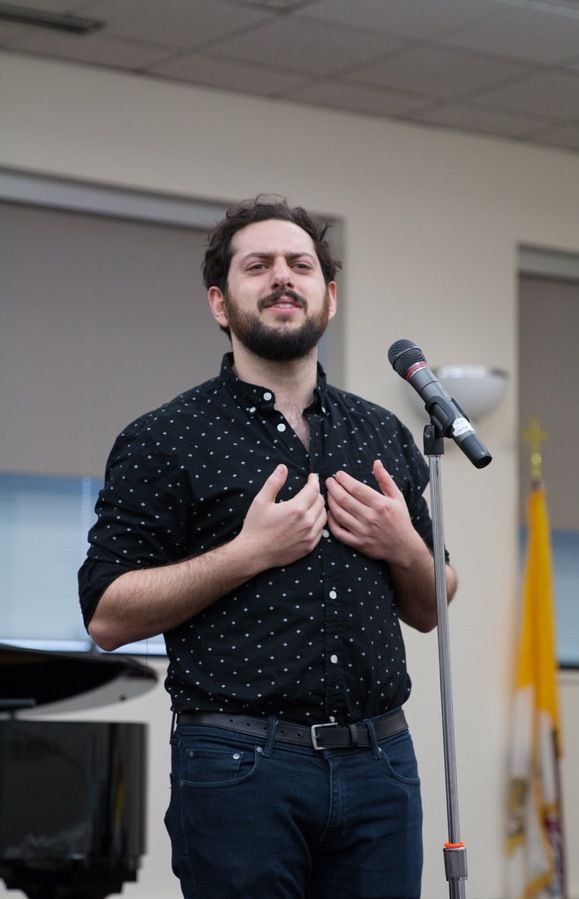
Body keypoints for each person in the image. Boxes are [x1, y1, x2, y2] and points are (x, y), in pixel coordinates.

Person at [79, 195, 457, 899]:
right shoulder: (163, 439)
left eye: (301, 264)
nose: (283, 276)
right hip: (238, 766)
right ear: (221, 303)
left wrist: (403, 543)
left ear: (329, 296)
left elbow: (433, 605)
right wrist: (248, 552)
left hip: (382, 764)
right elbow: (106, 613)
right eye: (259, 265)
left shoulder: (383, 434)